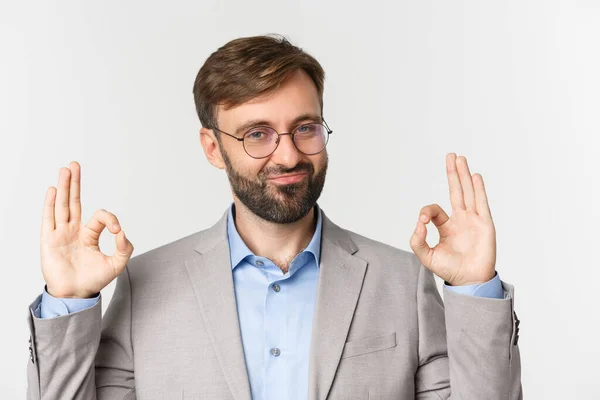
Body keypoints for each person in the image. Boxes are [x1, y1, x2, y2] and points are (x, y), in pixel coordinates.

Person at [26, 34, 522, 400]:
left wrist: (474, 290)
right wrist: (68, 303)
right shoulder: (145, 285)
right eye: (257, 134)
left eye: (304, 127)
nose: (287, 156)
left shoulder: (402, 280)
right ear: (213, 147)